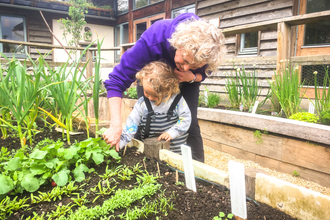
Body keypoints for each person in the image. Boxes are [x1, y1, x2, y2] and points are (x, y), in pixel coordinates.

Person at [103, 13, 226, 162]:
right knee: (144, 119)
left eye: (194, 66)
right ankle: (141, 160)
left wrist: (193, 77)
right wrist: (116, 125)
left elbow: (207, 72)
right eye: (185, 60)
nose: (186, 67)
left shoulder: (207, 53)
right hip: (151, 79)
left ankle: (195, 171)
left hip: (187, 82)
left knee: (191, 123)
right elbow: (117, 80)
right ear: (179, 44)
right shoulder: (154, 39)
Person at [119, 61, 191, 153]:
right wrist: (120, 143)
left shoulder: (177, 101)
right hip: (150, 152)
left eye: (156, 95)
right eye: (147, 93)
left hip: (175, 153)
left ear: (168, 89)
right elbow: (130, 126)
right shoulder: (142, 104)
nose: (150, 98)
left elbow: (186, 119)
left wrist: (171, 133)